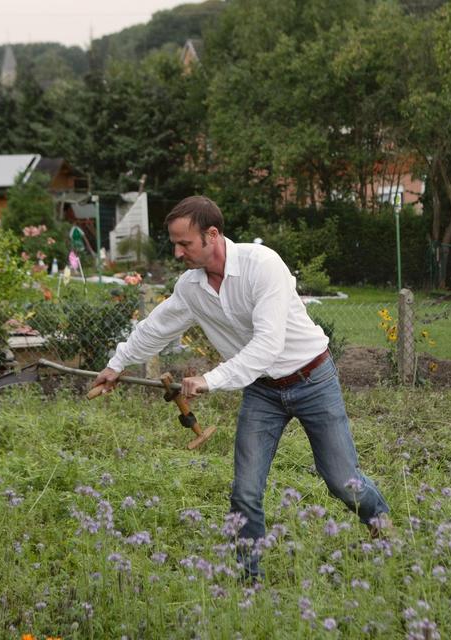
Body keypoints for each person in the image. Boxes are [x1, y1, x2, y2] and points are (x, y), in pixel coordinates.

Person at [93, 195, 390, 580]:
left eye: (185, 243)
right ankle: (249, 580)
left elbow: (267, 346)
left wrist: (209, 379)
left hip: (312, 378)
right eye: (174, 243)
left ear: (212, 235)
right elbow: (156, 328)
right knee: (245, 491)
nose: (178, 251)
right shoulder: (191, 287)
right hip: (263, 391)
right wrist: (115, 366)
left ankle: (383, 528)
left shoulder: (262, 267)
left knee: (341, 481)